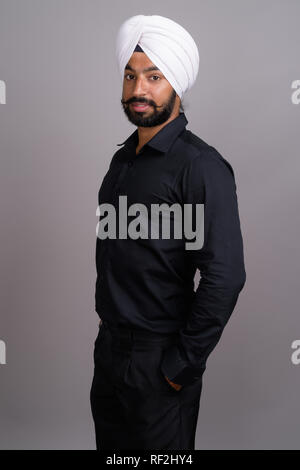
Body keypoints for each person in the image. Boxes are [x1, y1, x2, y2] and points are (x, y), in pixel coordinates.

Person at [90, 14, 246, 450]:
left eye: (154, 76)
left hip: (160, 360)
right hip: (110, 353)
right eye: (130, 75)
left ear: (176, 84)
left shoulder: (200, 167)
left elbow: (225, 275)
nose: (138, 89)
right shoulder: (122, 161)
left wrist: (181, 365)